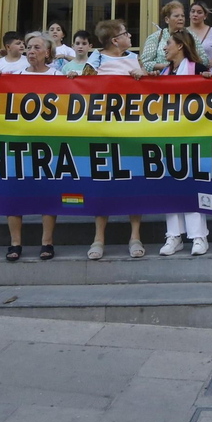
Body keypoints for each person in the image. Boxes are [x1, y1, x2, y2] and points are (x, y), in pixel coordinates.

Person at [87, 19, 145, 260]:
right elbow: (84, 88)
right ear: (114, 40)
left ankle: (135, 236)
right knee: (103, 183)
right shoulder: (96, 60)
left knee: (134, 182)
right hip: (103, 130)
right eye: (125, 33)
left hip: (132, 130)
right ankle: (98, 238)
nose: (129, 36)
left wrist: (142, 76)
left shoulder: (134, 58)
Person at [3, 31, 61, 261]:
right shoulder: (13, 75)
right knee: (14, 191)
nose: (31, 51)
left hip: (49, 143)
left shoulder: (59, 76)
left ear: (48, 52)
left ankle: (47, 241)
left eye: (37, 47)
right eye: (29, 47)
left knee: (48, 191)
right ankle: (15, 243)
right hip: (19, 143)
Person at [154, 29, 211, 256]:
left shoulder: (197, 69)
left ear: (180, 46)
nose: (165, 48)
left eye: (168, 43)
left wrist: (210, 79)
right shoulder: (166, 72)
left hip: (193, 137)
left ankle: (199, 237)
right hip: (169, 137)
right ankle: (174, 236)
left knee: (193, 184)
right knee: (171, 184)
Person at [140, 1, 187, 75]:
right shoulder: (155, 37)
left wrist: (185, 66)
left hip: (186, 78)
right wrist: (167, 67)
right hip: (161, 79)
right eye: (176, 16)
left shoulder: (191, 36)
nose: (181, 18)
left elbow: (203, 60)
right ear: (167, 20)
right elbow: (144, 63)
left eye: (183, 16)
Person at [187, 1, 212, 70]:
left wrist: (209, 63)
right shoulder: (182, 33)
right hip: (188, 74)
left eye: (199, 12)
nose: (195, 14)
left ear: (205, 16)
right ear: (189, 14)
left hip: (209, 74)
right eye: (193, 11)